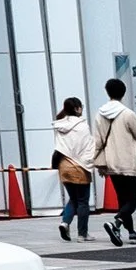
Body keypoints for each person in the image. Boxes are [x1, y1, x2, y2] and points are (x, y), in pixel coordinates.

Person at [93, 77, 136, 249]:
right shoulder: (128, 114)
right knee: (132, 201)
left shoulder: (99, 115)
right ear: (123, 93)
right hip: (127, 163)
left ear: (107, 92)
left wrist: (98, 162)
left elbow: (97, 142)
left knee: (123, 199)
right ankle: (116, 223)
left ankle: (131, 232)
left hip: (111, 164)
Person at [50, 95, 95, 242]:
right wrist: (91, 164)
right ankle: (82, 234)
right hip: (79, 166)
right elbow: (87, 147)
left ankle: (65, 222)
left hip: (64, 165)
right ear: (77, 108)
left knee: (74, 198)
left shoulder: (60, 125)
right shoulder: (82, 126)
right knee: (83, 201)